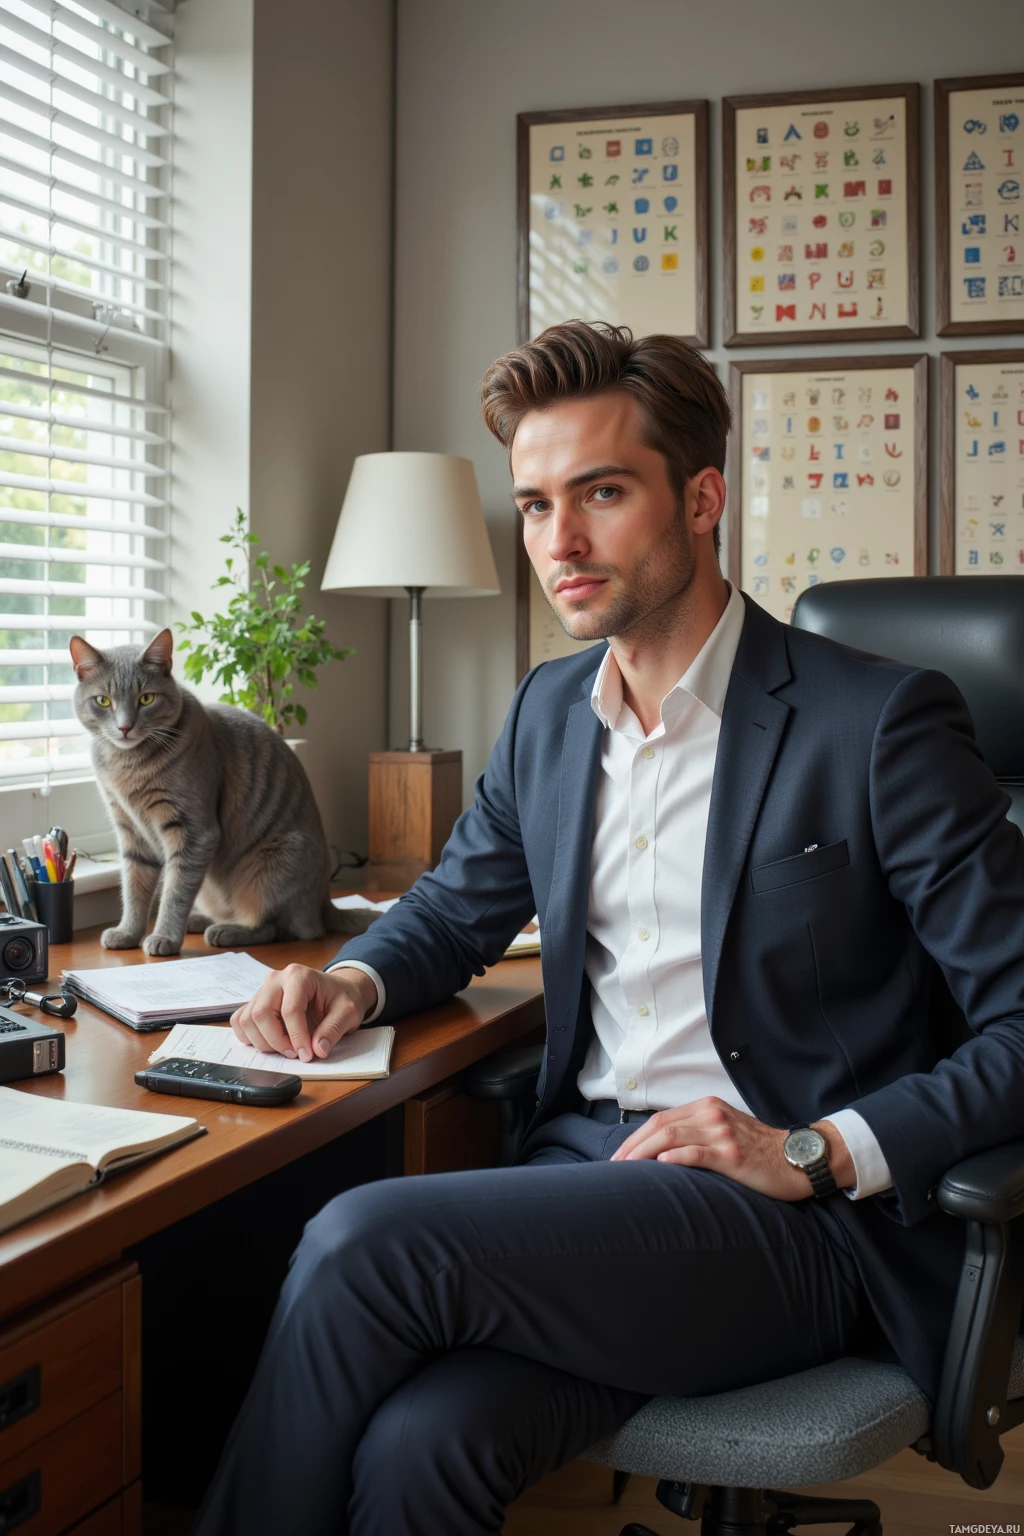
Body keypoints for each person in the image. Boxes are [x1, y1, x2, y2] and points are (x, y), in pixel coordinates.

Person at [193, 322, 1024, 1536]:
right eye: (534, 505)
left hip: (789, 1219)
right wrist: (356, 981)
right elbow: (457, 904)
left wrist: (812, 1152)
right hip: (585, 1181)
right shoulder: (547, 713)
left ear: (700, 498)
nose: (557, 544)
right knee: (425, 1447)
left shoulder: (876, 721)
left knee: (364, 1238)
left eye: (600, 494)